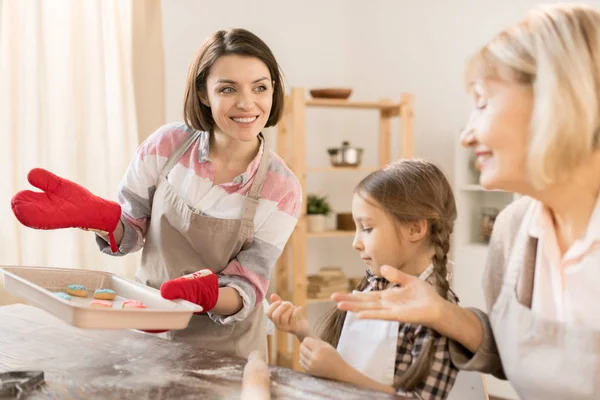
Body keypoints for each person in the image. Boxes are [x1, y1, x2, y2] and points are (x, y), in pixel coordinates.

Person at [333, 4, 600, 399]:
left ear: (555, 101)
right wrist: (443, 314)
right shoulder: (513, 231)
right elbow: (515, 357)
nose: (467, 134)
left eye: (482, 102)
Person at [14, 28, 301, 360]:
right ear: (204, 94)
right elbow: (130, 234)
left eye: (260, 88)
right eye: (227, 88)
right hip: (148, 330)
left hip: (227, 352)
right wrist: (100, 219)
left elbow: (248, 286)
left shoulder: (281, 189)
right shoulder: (166, 147)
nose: (246, 103)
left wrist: (206, 295)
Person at [268, 159, 459, 399]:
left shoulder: (441, 314)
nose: (356, 243)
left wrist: (341, 373)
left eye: (367, 228)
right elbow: (344, 361)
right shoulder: (372, 286)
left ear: (415, 229)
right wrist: (302, 331)